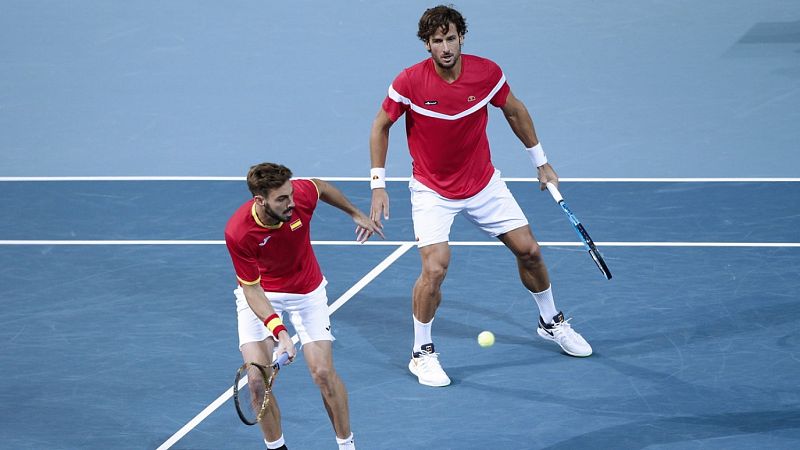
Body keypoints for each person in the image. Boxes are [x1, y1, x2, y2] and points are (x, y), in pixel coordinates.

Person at [368, 5, 593, 388]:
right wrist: (378, 184)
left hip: (483, 183)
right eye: (436, 41)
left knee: (531, 251)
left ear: (461, 38)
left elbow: (515, 111)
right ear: (427, 45)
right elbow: (381, 125)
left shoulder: (486, 73)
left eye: (450, 38)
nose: (445, 47)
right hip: (432, 189)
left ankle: (550, 321)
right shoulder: (409, 83)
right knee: (435, 268)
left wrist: (541, 163)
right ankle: (422, 353)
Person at [224, 162, 383, 449]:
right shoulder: (239, 232)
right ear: (260, 201)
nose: (291, 203)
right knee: (257, 381)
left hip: (306, 291)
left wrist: (355, 213)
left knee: (322, 373)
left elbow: (319, 186)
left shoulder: (299, 197)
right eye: (282, 199)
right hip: (262, 294)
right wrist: (281, 332)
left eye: (291, 194)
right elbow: (252, 289)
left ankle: (347, 445)